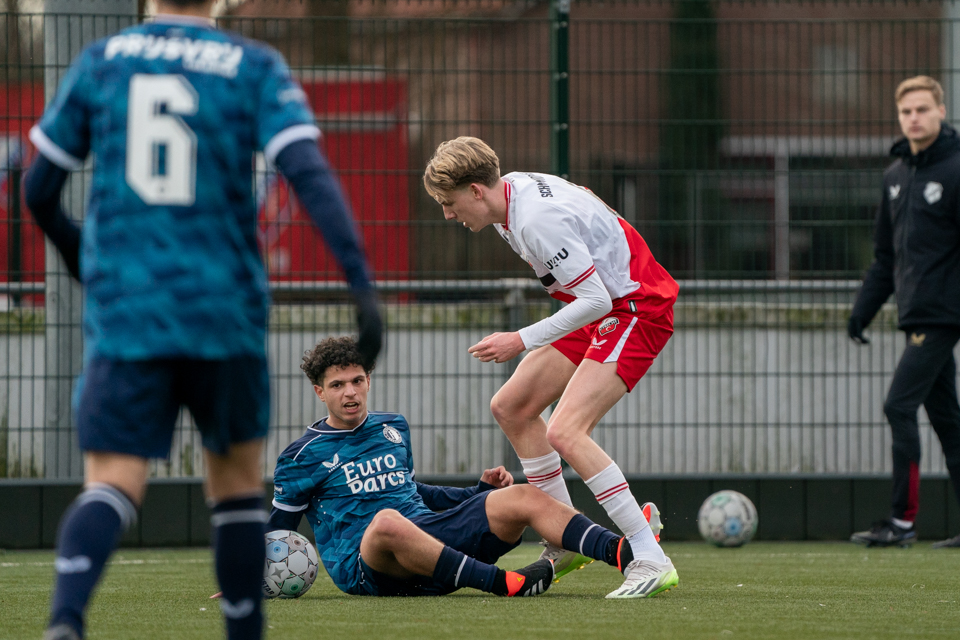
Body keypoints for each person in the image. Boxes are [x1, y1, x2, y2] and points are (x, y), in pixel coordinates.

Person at [23, 1, 382, 638]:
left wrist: (81, 254)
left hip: (130, 312)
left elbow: (39, 187)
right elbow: (308, 173)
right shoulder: (252, 66)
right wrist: (360, 284)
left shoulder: (103, 62)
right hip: (224, 315)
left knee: (112, 482)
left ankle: (65, 623)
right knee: (238, 489)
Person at [422, 137, 678, 598]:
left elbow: (597, 296)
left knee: (565, 430)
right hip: (600, 304)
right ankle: (566, 540)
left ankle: (650, 557)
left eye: (449, 202)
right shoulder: (511, 194)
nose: (447, 214)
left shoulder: (535, 219)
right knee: (513, 406)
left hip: (634, 306)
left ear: (476, 191)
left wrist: (520, 339)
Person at [267, 336, 671, 599]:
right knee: (387, 521)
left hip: (433, 545)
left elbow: (412, 491)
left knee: (523, 495)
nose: (350, 392)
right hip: (369, 566)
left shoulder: (392, 426)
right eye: (337, 386)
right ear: (320, 392)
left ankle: (633, 553)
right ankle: (504, 584)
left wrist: (478, 493)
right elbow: (279, 526)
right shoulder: (302, 456)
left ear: (368, 380)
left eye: (356, 381)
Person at [847, 75, 960, 549]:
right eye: (906, 111)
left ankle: (902, 522)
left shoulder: (956, 169)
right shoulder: (895, 178)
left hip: (942, 316)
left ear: (940, 111)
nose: (913, 118)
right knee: (948, 421)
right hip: (916, 314)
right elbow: (886, 259)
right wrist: (862, 312)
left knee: (897, 405)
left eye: (922, 109)